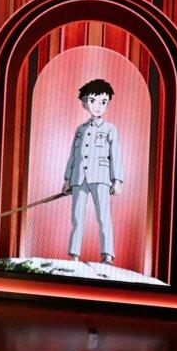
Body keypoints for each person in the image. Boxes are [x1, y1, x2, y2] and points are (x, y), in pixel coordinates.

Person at [62, 79, 124, 264]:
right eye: (92, 101)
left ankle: (108, 255)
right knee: (77, 217)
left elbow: (116, 155)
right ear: (84, 103)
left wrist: (117, 180)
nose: (98, 106)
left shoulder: (110, 129)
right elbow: (73, 155)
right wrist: (67, 179)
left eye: (103, 102)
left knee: (103, 216)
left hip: (101, 178)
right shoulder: (80, 129)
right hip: (79, 178)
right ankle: (74, 254)